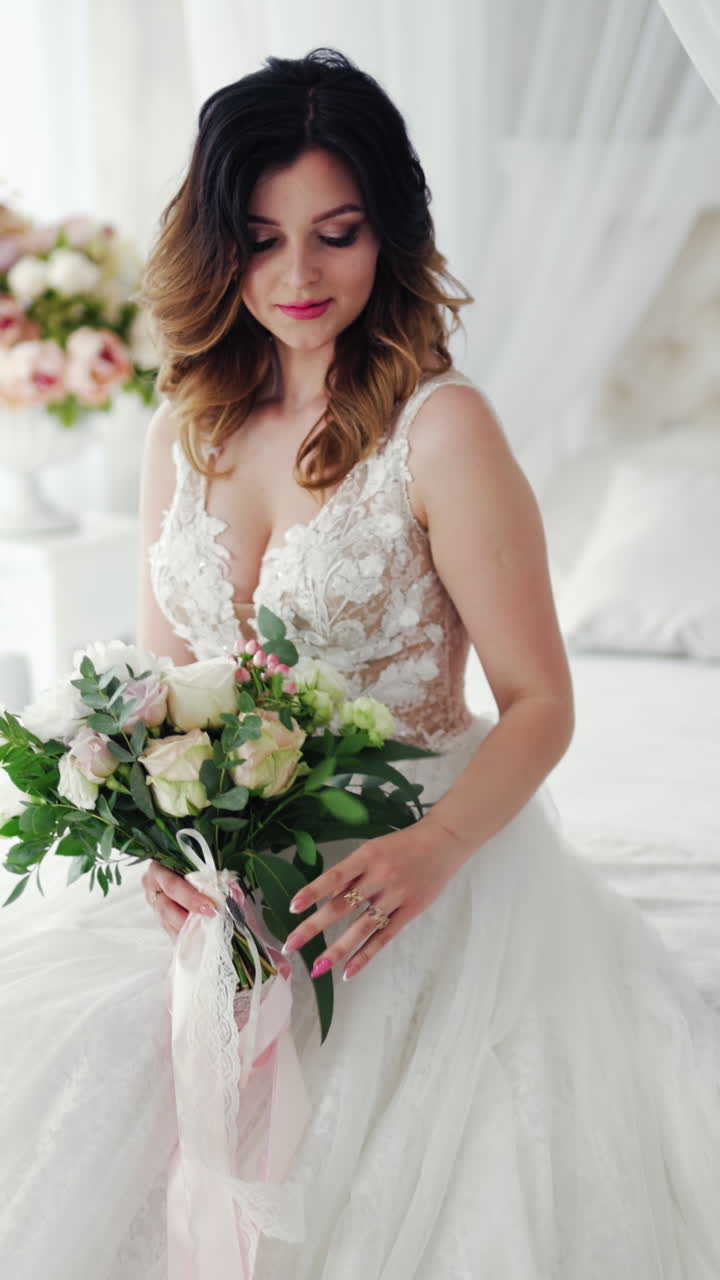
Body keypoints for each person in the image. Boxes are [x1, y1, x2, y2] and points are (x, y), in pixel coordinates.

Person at [1, 45, 720, 1280]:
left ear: (387, 233)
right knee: (79, 1062)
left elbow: (542, 702)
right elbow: (159, 695)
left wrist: (435, 850)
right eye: (262, 235)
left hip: (407, 859)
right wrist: (157, 853)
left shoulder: (444, 432)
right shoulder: (183, 427)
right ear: (215, 241)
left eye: (336, 232)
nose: (297, 275)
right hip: (227, 868)